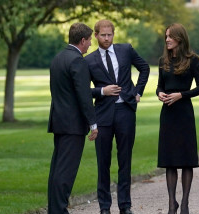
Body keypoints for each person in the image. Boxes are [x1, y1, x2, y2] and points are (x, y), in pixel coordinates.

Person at [85, 19, 150, 214]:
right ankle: (104, 207)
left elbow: (144, 68)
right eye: (103, 35)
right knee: (103, 162)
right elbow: (83, 91)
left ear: (114, 34)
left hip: (125, 112)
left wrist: (138, 91)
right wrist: (102, 91)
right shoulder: (88, 60)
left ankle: (125, 206)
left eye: (110, 35)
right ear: (96, 35)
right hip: (103, 115)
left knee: (125, 160)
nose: (107, 38)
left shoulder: (126, 50)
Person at [47, 22, 98, 214]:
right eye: (90, 40)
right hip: (73, 124)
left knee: (56, 170)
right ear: (83, 40)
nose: (90, 45)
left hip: (59, 120)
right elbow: (83, 95)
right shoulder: (77, 61)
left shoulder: (58, 58)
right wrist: (93, 123)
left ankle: (54, 209)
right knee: (66, 172)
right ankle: (59, 210)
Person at [156, 23, 199, 214]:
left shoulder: (193, 60)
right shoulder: (163, 61)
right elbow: (160, 85)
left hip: (184, 113)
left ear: (180, 39)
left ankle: (184, 203)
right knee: (169, 160)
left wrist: (181, 95)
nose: (167, 39)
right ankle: (171, 203)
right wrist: (160, 94)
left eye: (170, 36)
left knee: (185, 160)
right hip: (167, 113)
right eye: (166, 36)